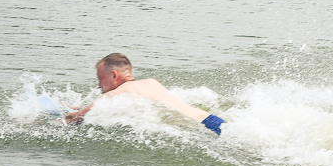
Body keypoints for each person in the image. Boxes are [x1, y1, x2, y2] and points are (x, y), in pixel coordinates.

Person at [65, 53, 225, 134]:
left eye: (101, 79)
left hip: (203, 130)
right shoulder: (151, 82)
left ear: (114, 75)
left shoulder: (120, 93)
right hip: (213, 120)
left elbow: (75, 118)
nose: (99, 85)